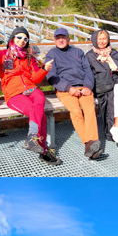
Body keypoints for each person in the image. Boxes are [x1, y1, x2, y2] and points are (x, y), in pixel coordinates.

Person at [0, 26, 62, 165]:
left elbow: (36, 79)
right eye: (19, 37)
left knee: (40, 99)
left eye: (25, 39)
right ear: (13, 38)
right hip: (13, 93)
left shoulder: (29, 57)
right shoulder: (3, 54)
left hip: (31, 88)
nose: (22, 41)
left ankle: (32, 138)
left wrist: (44, 69)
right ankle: (42, 150)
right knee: (37, 112)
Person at [44, 28, 103, 160]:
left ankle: (90, 146)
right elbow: (51, 77)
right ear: (54, 40)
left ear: (68, 39)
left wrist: (88, 86)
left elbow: (88, 71)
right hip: (65, 90)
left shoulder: (78, 52)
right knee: (76, 111)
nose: (61, 40)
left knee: (89, 110)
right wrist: (68, 88)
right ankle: (90, 145)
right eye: (58, 38)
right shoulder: (51, 55)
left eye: (63, 37)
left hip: (83, 88)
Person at [86, 30, 118, 148]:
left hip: (115, 84)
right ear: (94, 40)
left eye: (104, 39)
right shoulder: (90, 56)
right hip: (101, 87)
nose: (102, 42)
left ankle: (117, 127)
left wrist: (113, 65)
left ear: (108, 40)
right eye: (99, 39)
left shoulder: (114, 54)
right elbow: (89, 75)